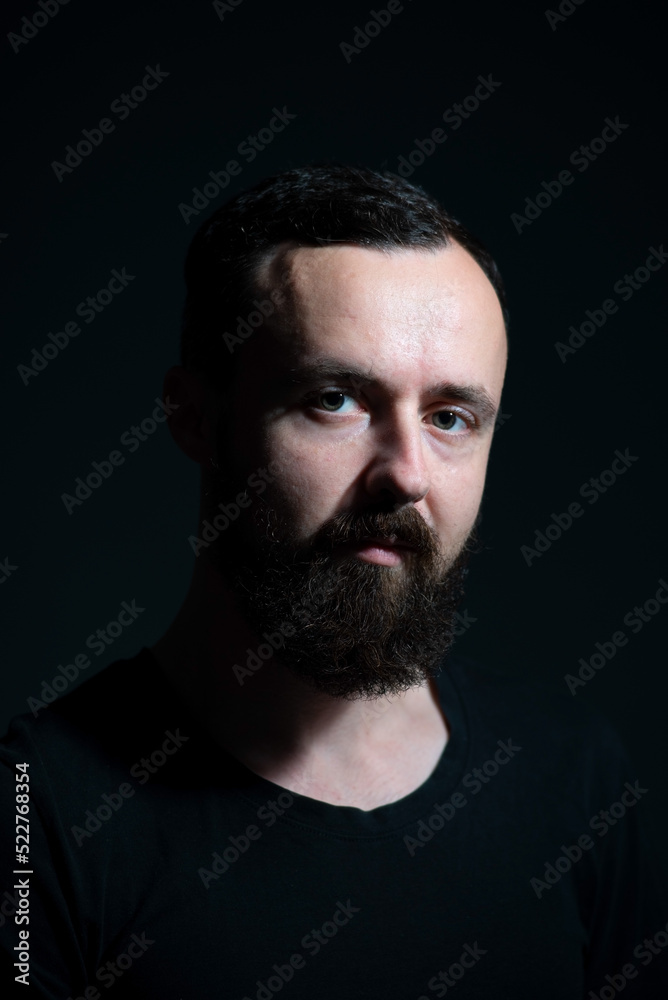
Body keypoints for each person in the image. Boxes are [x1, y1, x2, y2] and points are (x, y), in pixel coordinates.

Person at [1, 163, 666, 998]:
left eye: (450, 417)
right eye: (337, 400)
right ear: (197, 419)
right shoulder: (37, 812)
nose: (406, 475)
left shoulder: (577, 782)